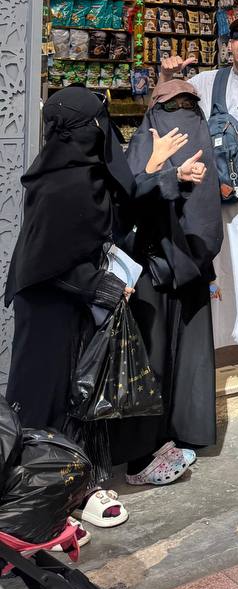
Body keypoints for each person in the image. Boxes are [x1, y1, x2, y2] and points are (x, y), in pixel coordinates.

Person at [5, 85, 190, 526]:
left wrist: (154, 168)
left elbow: (110, 218)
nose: (103, 129)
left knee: (79, 394)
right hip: (51, 308)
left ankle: (73, 485)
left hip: (74, 304)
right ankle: (41, 496)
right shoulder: (61, 184)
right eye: (96, 122)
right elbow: (48, 258)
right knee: (48, 397)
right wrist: (101, 286)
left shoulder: (82, 174)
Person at [158, 15, 238, 394]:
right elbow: (162, 114)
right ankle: (202, 353)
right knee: (213, 270)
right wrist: (166, 78)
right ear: (228, 44)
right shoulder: (205, 82)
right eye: (237, 35)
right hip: (207, 191)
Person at [111, 81, 222, 487]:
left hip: (153, 267)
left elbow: (127, 200)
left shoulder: (149, 135)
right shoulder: (199, 131)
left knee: (153, 354)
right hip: (188, 264)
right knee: (177, 353)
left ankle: (149, 442)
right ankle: (179, 432)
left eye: (186, 109)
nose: (182, 118)